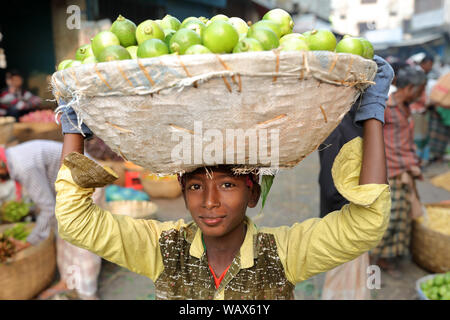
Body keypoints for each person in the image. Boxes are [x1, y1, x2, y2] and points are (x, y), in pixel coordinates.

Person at [53, 56, 393, 300]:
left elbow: (366, 223)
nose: (209, 201)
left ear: (254, 193)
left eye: (227, 185)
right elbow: (74, 222)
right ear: (183, 192)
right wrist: (74, 129)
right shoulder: (160, 250)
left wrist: (372, 117)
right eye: (196, 186)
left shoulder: (285, 253)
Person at [0, 140, 102, 300]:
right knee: (63, 235)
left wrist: (30, 241)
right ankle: (67, 282)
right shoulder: (13, 158)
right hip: (69, 189)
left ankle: (87, 293)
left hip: (87, 182)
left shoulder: (23, 167)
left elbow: (48, 208)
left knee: (83, 242)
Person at [370, 65, 427, 277]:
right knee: (388, 219)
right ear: (411, 88)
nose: (422, 95)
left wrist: (413, 164)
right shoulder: (385, 105)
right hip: (389, 171)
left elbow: (404, 140)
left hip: (403, 170)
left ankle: (386, 258)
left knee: (402, 218)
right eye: (420, 90)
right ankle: (369, 261)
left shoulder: (405, 108)